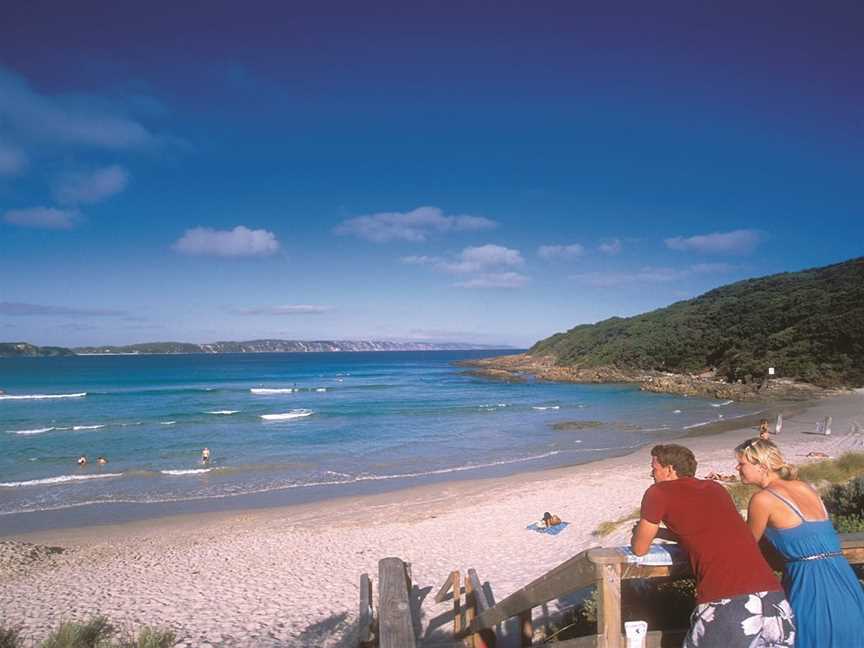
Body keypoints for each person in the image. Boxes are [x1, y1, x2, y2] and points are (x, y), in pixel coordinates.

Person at [631, 444, 794, 647]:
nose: (651, 473)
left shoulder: (658, 492)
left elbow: (639, 549)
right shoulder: (715, 488)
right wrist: (663, 533)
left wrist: (637, 532)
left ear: (670, 469)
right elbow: (708, 531)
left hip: (729, 600)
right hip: (772, 597)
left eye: (654, 468)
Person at [735, 438, 864, 647]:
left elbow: (745, 547)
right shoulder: (805, 487)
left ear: (762, 466)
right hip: (843, 578)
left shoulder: (763, 500)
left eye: (742, 463)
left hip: (811, 585)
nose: (737, 468)